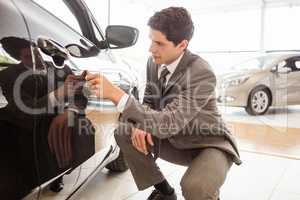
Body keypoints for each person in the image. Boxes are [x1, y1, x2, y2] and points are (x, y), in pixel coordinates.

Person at [86, 7, 241, 200]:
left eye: (159, 43)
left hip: (209, 143)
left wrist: (116, 95)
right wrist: (140, 125)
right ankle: (165, 192)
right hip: (176, 138)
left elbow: (168, 123)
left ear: (182, 45)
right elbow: (150, 100)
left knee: (196, 187)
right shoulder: (154, 62)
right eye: (151, 40)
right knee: (125, 131)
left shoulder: (201, 73)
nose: (151, 48)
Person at [0, 36, 88, 198]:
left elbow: (80, 98)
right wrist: (59, 94)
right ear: (18, 58)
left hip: (53, 123)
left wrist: (70, 111)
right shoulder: (8, 76)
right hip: (23, 127)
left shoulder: (62, 69)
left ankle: (60, 173)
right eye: (28, 57)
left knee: (79, 125)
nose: (36, 61)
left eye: (38, 55)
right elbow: (23, 111)